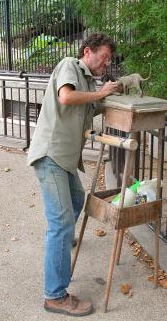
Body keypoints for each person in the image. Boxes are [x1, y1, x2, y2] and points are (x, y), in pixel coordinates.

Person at [27, 33, 119, 316]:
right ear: (87, 51)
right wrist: (101, 93)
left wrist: (115, 94)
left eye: (109, 60)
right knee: (62, 222)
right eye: (103, 57)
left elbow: (92, 105)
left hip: (65, 160)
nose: (106, 64)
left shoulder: (89, 82)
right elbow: (66, 97)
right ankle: (55, 296)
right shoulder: (70, 64)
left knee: (79, 201)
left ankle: (64, 241)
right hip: (51, 154)